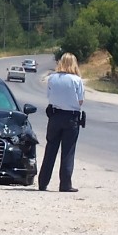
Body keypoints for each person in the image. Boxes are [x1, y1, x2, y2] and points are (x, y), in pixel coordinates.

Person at [38, 52, 85, 193]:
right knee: (68, 151)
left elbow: (49, 96)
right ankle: (65, 184)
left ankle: (43, 182)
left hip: (54, 116)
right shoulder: (76, 80)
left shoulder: (52, 78)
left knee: (50, 149)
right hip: (71, 117)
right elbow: (80, 101)